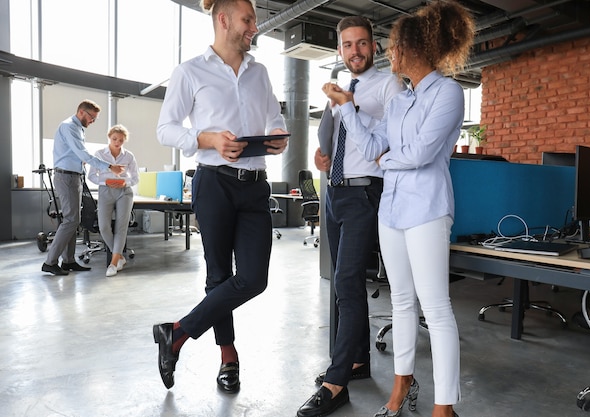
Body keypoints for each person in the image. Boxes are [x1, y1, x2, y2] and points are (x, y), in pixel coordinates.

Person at [322, 2, 475, 417]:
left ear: (418, 48)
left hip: (427, 208)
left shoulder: (447, 92)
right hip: (391, 211)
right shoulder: (400, 101)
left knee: (436, 307)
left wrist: (387, 158)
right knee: (402, 303)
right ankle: (401, 385)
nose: (390, 53)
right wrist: (345, 107)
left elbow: (421, 153)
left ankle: (444, 406)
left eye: (395, 46)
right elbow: (372, 147)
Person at [153, 0, 288, 393]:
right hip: (213, 182)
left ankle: (176, 333)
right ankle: (228, 358)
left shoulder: (259, 73)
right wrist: (206, 138)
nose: (254, 28)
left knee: (253, 278)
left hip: (254, 184)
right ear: (223, 19)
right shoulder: (190, 71)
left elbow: (274, 119)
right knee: (218, 275)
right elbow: (166, 128)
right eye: (248, 20)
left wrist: (277, 136)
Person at [296, 16, 405, 417]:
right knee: (344, 282)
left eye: (362, 43)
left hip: (364, 192)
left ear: (373, 46)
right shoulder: (340, 91)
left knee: (344, 279)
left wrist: (350, 105)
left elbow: (390, 140)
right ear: (339, 50)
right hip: (334, 191)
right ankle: (358, 360)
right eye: (347, 45)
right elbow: (332, 137)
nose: (355, 50)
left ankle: (336, 380)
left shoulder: (389, 86)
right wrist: (321, 157)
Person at [41, 100, 125, 276]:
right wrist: (109, 167)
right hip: (66, 177)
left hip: (74, 177)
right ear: (81, 112)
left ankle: (69, 261)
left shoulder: (78, 128)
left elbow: (80, 157)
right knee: (71, 220)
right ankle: (50, 262)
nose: (93, 121)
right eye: (92, 117)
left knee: (73, 220)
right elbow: (83, 154)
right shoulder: (69, 127)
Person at [87, 124, 139, 277]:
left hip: (124, 192)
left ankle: (114, 262)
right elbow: (91, 176)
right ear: (109, 137)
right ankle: (120, 256)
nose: (117, 142)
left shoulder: (128, 156)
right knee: (104, 227)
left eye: (121, 140)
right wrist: (106, 182)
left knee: (121, 227)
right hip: (105, 191)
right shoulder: (99, 154)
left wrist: (125, 182)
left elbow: (135, 178)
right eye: (115, 139)